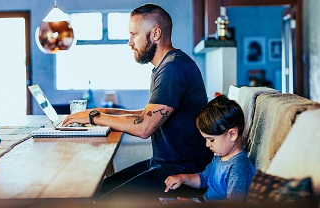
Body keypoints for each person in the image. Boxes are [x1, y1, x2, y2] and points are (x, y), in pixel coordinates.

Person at [62, 3, 213, 202]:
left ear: (156, 34)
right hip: (165, 163)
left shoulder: (173, 68)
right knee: (100, 190)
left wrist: (94, 118)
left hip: (183, 171)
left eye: (134, 34)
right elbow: (147, 114)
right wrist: (100, 111)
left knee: (106, 199)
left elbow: (144, 127)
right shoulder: (166, 65)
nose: (129, 42)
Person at [164, 95, 256, 202]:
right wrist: (182, 178)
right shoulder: (219, 157)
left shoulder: (239, 167)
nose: (207, 144)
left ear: (232, 134)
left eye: (211, 140)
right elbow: (204, 179)